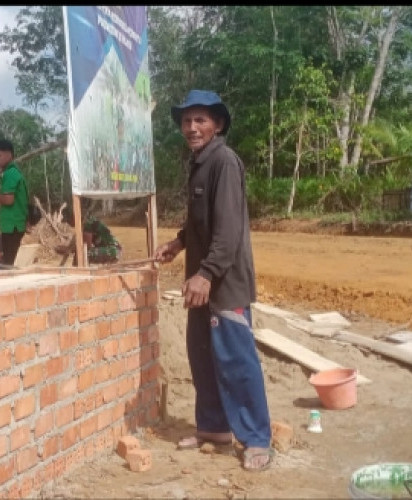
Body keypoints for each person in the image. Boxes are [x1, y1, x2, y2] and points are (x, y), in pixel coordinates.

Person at [153, 89, 273, 471]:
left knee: (236, 360)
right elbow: (200, 221)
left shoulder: (224, 161)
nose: (192, 127)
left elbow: (228, 229)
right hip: (201, 282)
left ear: (217, 124)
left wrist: (205, 274)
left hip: (224, 284)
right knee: (202, 356)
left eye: (200, 120)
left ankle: (256, 439)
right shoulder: (199, 163)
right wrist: (178, 242)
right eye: (187, 121)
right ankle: (214, 428)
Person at [0, 139, 29, 266]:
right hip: (15, 223)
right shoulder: (14, 172)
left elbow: (8, 199)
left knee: (9, 262)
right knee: (9, 259)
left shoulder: (10, 174)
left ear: (9, 154)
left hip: (12, 224)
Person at [55, 208, 122, 265]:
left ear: (74, 218)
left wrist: (68, 250)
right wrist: (68, 249)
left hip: (112, 251)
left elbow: (87, 246)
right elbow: (74, 245)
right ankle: (78, 272)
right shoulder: (83, 226)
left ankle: (79, 275)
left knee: (81, 254)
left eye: (68, 221)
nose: (68, 223)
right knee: (80, 253)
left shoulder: (88, 224)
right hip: (113, 250)